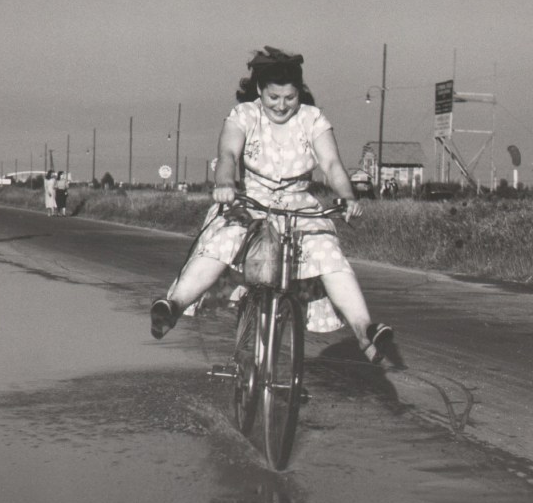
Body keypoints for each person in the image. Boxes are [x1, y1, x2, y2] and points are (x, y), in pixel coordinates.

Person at [149, 46, 394, 364]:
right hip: (249, 203)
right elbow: (228, 155)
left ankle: (365, 332)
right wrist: (225, 184)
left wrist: (348, 198)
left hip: (298, 207)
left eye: (290, 98)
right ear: (260, 91)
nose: (282, 106)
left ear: (299, 93)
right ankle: (173, 307)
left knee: (329, 254)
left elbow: (332, 164)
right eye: (273, 97)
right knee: (221, 242)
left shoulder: (312, 119)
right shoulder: (244, 115)